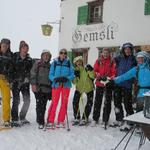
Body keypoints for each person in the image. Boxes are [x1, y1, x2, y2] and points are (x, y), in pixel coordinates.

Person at [107, 51, 150, 130]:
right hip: (140, 93)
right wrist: (114, 80)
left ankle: (147, 129)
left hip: (149, 92)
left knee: (148, 112)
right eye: (138, 58)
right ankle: (139, 128)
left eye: (141, 58)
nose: (139, 60)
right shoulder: (136, 69)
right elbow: (124, 76)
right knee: (139, 111)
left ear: (146, 58)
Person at [46, 48, 74, 129]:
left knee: (64, 103)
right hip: (56, 84)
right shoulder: (55, 62)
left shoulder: (69, 63)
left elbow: (72, 74)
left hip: (66, 85)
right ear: (59, 54)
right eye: (61, 53)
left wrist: (67, 78)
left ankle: (61, 120)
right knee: (54, 102)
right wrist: (55, 78)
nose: (63, 54)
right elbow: (50, 74)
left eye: (65, 53)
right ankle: (50, 120)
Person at [112, 43, 137, 129]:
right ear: (123, 50)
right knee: (117, 102)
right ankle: (119, 119)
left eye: (129, 49)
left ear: (131, 50)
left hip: (127, 84)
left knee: (127, 103)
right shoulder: (119, 58)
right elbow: (111, 65)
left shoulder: (134, 59)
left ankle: (130, 121)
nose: (127, 50)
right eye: (126, 49)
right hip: (118, 84)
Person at [92, 48, 116, 127]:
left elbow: (114, 72)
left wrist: (109, 78)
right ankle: (95, 119)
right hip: (99, 84)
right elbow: (95, 71)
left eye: (107, 53)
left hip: (108, 84)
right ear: (101, 53)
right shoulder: (98, 61)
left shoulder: (112, 61)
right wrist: (98, 75)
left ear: (109, 53)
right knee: (97, 102)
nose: (105, 54)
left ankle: (105, 119)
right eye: (104, 53)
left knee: (107, 102)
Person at [11, 43, 33, 127]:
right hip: (16, 82)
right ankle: (14, 119)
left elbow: (31, 71)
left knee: (27, 100)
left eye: (27, 48)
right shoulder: (15, 58)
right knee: (16, 101)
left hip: (25, 83)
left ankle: (22, 117)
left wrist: (28, 78)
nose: (25, 50)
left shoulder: (29, 60)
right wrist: (12, 80)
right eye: (24, 48)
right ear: (20, 49)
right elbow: (10, 69)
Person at [30, 50, 52, 129]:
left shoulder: (50, 66)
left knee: (44, 105)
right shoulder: (38, 64)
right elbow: (33, 73)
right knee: (39, 105)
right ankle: (41, 121)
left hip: (47, 89)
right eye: (44, 55)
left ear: (49, 57)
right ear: (42, 56)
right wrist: (33, 84)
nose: (46, 57)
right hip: (39, 88)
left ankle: (39, 119)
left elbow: (52, 77)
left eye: (48, 55)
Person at [72, 56, 95, 126]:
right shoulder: (75, 70)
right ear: (75, 63)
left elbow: (93, 76)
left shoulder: (86, 68)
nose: (79, 62)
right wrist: (75, 76)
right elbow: (74, 82)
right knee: (75, 101)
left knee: (89, 102)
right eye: (77, 61)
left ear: (82, 62)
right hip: (79, 88)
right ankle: (77, 117)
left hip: (89, 88)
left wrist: (91, 70)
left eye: (80, 61)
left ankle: (85, 117)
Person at [0, 38, 13, 127]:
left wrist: (10, 79)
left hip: (5, 79)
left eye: (7, 44)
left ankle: (6, 119)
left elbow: (12, 69)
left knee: (6, 99)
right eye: (3, 44)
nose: (5, 46)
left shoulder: (11, 55)